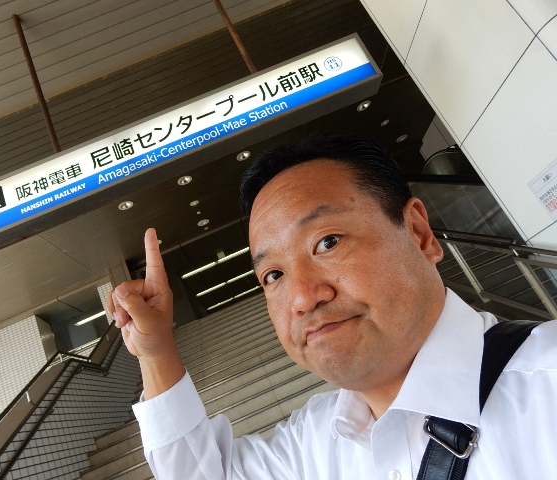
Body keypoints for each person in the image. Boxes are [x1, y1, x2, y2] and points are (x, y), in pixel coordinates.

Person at [107, 132, 557, 479]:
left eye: (327, 242)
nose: (303, 298)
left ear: (420, 234)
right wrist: (156, 351)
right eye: (273, 275)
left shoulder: (545, 389)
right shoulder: (315, 440)